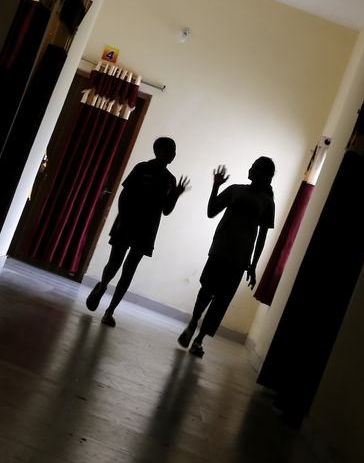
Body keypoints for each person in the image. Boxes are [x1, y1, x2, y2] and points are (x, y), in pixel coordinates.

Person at [87, 137, 189, 327]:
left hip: (147, 230)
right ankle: (102, 285)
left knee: (129, 270)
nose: (173, 154)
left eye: (174, 150)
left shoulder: (170, 180)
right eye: (169, 149)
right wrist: (123, 219)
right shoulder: (142, 168)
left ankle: (110, 311)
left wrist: (176, 194)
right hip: (127, 223)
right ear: (158, 151)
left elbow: (166, 211)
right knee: (115, 263)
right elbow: (124, 195)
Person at [179, 157, 275, 357]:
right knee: (206, 291)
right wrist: (216, 186)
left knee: (221, 301)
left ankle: (199, 339)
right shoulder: (235, 190)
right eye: (252, 166)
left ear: (265, 175)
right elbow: (211, 212)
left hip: (240, 259)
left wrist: (253, 265)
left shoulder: (267, 203)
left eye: (255, 168)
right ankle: (193, 323)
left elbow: (262, 237)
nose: (251, 169)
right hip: (220, 250)